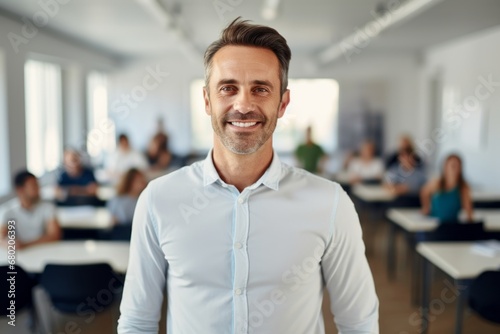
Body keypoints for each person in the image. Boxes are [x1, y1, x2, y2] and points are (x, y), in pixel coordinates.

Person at [118, 18, 378, 334]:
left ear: (282, 103)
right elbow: (137, 322)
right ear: (206, 100)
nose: (243, 105)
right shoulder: (159, 200)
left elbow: (358, 322)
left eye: (260, 89)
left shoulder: (330, 203)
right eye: (228, 88)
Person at [0, 171, 61, 249]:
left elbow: (54, 236)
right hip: (21, 255)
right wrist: (8, 243)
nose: (38, 189)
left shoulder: (48, 208)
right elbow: (1, 237)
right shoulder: (8, 211)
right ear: (20, 190)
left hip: (44, 251)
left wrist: (25, 245)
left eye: (38, 185)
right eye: (34, 186)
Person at [420, 154, 473, 223]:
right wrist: (426, 207)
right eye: (452, 166)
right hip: (434, 222)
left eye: (457, 166)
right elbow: (424, 192)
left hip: (452, 225)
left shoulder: (463, 187)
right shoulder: (437, 182)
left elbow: (469, 212)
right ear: (445, 167)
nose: (454, 168)